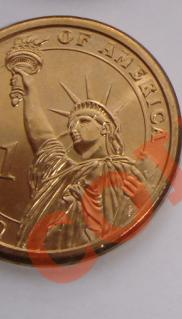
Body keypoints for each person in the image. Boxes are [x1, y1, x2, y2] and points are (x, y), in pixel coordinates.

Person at [11, 65, 148, 251]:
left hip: (100, 257)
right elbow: (42, 136)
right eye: (71, 124)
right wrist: (30, 92)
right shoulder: (62, 170)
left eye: (83, 121)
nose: (73, 129)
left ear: (105, 128)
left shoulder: (123, 171)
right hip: (44, 250)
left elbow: (135, 217)